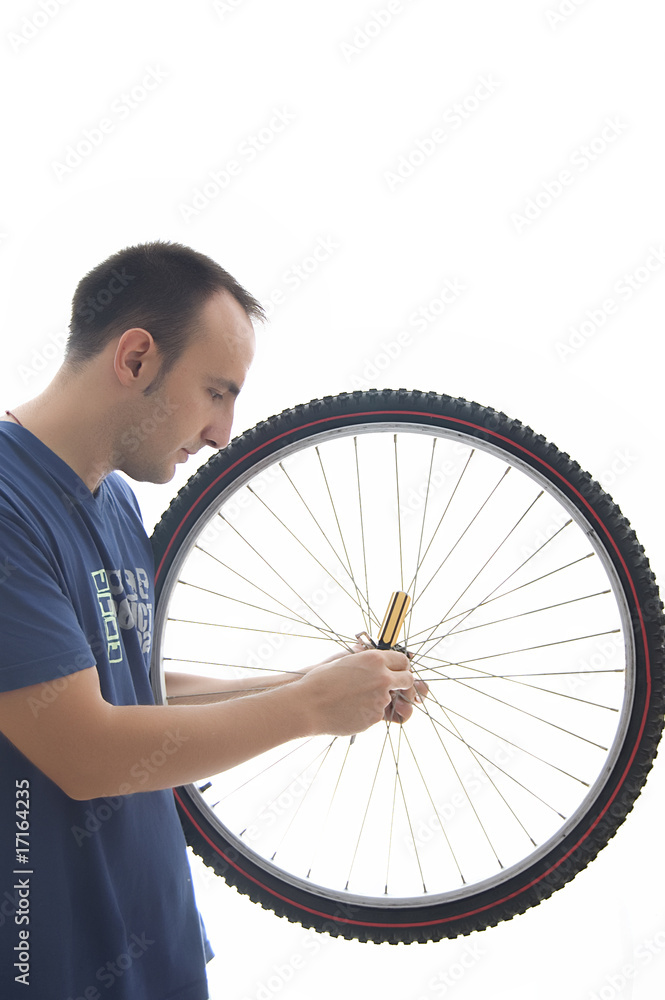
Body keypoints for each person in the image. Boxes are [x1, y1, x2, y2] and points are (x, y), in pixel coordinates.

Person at [0, 241, 420, 999]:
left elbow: (130, 690)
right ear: (135, 359)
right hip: (50, 964)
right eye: (216, 392)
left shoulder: (114, 498)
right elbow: (83, 749)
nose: (224, 431)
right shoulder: (6, 505)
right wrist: (306, 708)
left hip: (156, 954)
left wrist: (312, 682)